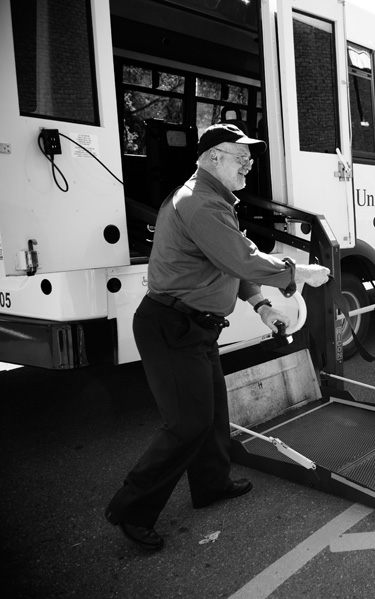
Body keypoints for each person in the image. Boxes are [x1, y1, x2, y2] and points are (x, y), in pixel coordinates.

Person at [105, 124, 330, 550]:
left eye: (249, 156)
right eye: (238, 155)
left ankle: (210, 484)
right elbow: (241, 258)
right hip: (171, 326)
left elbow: (228, 260)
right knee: (188, 422)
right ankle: (131, 507)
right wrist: (298, 272)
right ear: (211, 158)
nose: (248, 163)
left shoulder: (214, 201)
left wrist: (262, 306)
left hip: (194, 327)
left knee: (210, 413)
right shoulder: (201, 202)